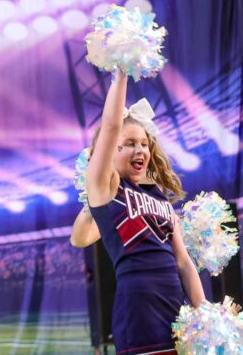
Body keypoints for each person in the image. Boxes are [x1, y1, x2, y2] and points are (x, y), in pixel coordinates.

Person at [84, 75, 204, 354]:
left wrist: (204, 315)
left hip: (177, 314)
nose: (140, 150)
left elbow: (183, 262)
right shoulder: (106, 189)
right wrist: (122, 72)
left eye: (144, 143)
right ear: (110, 150)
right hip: (140, 318)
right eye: (129, 143)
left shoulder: (158, 196)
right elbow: (111, 126)